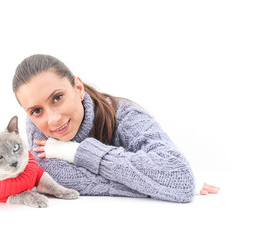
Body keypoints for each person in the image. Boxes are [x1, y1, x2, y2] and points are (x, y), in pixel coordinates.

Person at [12, 54, 219, 203]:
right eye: (36, 111)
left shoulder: (127, 115)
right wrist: (155, 183)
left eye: (58, 98)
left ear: (78, 88)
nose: (54, 119)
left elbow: (177, 177)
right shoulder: (36, 130)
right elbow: (55, 178)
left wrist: (76, 153)